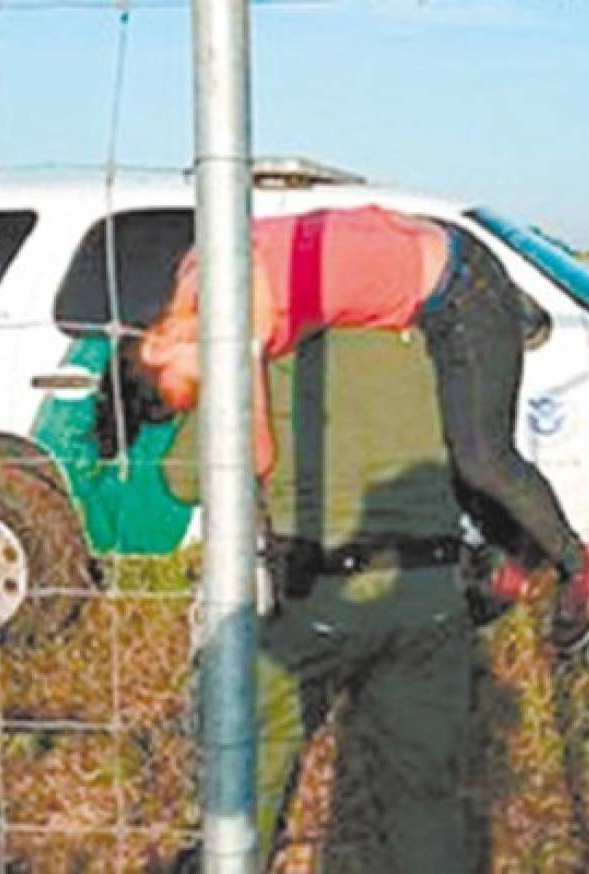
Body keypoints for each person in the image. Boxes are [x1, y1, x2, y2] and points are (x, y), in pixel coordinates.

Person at [138, 205, 589, 648]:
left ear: (157, 347)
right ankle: (514, 565)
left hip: (462, 290)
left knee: (482, 457)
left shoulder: (238, 316)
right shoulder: (198, 267)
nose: (217, 381)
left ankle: (577, 561)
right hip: (438, 274)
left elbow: (259, 455)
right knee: (448, 447)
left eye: (197, 378)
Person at [154, 328, 480, 872]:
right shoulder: (430, 343)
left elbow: (183, 478)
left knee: (255, 739)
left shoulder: (271, 353)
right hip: (435, 591)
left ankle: (235, 857)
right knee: (423, 795)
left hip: (322, 595)